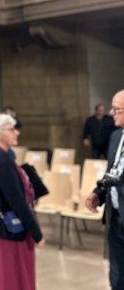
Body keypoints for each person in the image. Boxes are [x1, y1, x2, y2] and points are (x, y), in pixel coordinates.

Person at [0, 114, 45, 289]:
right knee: (14, 279)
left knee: (1, 276)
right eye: (12, 129)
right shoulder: (1, 158)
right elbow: (16, 200)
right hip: (7, 228)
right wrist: (36, 233)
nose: (17, 133)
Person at [85, 90, 124, 289]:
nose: (111, 113)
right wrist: (98, 194)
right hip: (115, 216)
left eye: (117, 109)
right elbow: (112, 171)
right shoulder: (116, 137)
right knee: (117, 272)